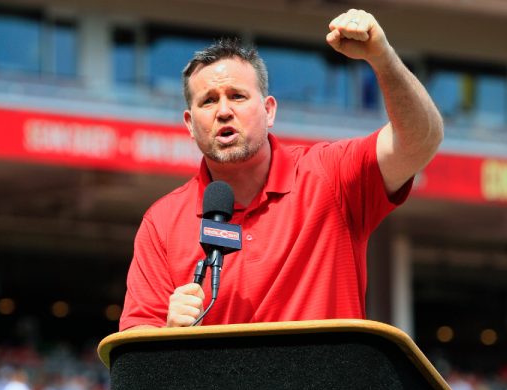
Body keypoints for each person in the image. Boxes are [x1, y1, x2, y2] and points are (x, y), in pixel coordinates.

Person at [120, 8, 443, 329]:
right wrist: (167, 332)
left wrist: (383, 58)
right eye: (208, 101)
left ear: (269, 110)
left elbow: (421, 140)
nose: (223, 111)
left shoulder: (331, 176)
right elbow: (134, 348)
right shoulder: (161, 223)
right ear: (190, 124)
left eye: (237, 96)